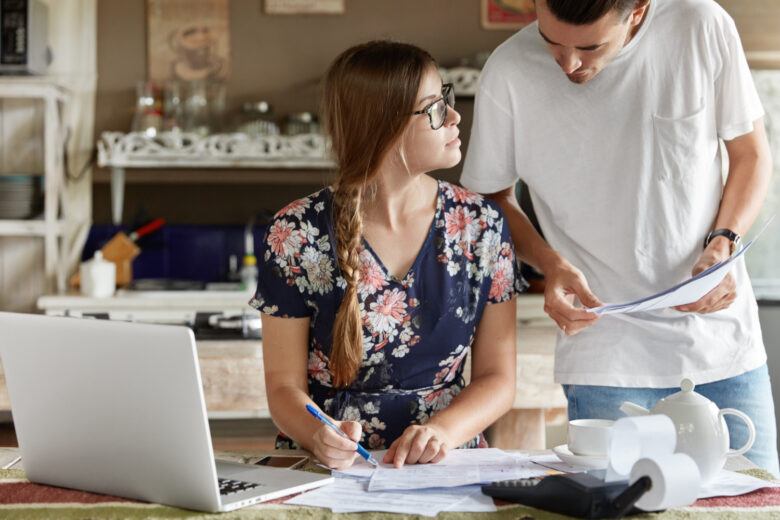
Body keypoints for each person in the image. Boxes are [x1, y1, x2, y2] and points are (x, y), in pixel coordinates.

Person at [461, 0, 779, 475]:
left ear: (637, 11)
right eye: (552, 41)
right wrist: (550, 263)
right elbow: (489, 200)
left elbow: (751, 155)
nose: (568, 63)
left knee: (753, 505)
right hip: (605, 355)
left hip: (722, 346)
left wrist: (724, 241)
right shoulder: (507, 70)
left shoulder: (701, 24)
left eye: (590, 46)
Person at [251, 40, 522, 470]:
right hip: (327, 471)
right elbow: (283, 388)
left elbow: (498, 380)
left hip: (444, 467)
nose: (453, 117)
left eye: (446, 99)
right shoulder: (294, 232)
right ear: (385, 125)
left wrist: (442, 433)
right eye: (435, 108)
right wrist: (320, 436)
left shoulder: (481, 226)